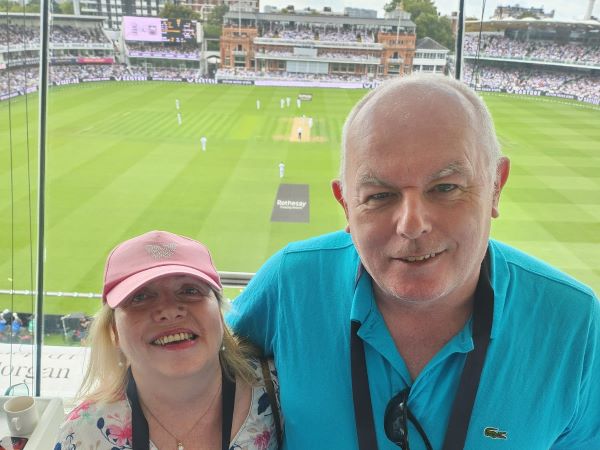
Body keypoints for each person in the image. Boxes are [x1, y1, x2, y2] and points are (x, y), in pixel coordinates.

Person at [228, 74, 600, 449]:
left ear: (495, 187)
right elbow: (205, 391)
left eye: (445, 188)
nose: (412, 224)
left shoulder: (576, 326)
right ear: (346, 205)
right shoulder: (289, 285)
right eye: (379, 195)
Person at [55, 230, 281, 450]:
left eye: (190, 290)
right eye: (140, 297)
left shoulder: (282, 390)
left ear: (220, 316)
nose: (170, 311)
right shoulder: (82, 435)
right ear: (114, 331)